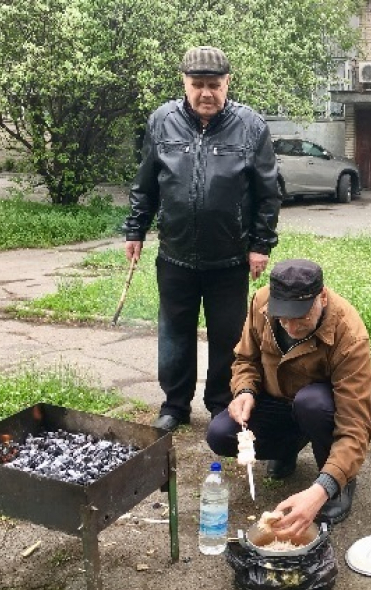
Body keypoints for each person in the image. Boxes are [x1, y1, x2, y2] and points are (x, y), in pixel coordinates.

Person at [124, 46, 280, 432]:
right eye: (198, 85)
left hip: (229, 260)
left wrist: (260, 244)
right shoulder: (162, 121)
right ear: (185, 83)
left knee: (228, 336)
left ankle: (220, 404)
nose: (206, 93)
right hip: (175, 255)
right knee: (174, 333)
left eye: (214, 85)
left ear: (227, 84)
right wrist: (136, 230)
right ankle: (175, 405)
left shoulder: (251, 126)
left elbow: (268, 192)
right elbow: (145, 183)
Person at [206, 259, 371, 536]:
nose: (291, 328)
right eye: (283, 318)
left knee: (312, 404)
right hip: (276, 400)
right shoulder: (261, 303)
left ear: (321, 297)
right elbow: (245, 359)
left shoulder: (350, 335)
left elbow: (355, 428)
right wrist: (245, 391)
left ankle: (340, 481)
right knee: (221, 433)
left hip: (320, 407)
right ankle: (288, 448)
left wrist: (323, 489)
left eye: (301, 318)